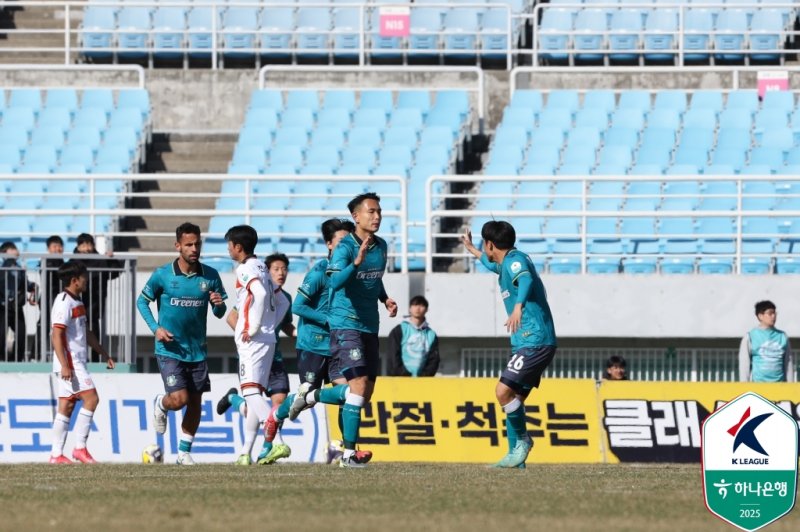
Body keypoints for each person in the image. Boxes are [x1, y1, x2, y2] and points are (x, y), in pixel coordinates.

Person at [288, 193, 398, 468]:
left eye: (379, 212)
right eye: (371, 212)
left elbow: (374, 280)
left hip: (370, 324)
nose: (377, 217)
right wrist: (356, 262)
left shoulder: (381, 245)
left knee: (362, 394)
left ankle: (311, 395)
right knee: (357, 386)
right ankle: (349, 454)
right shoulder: (345, 248)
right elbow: (335, 281)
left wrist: (385, 299)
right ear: (356, 216)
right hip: (345, 323)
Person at [263, 219, 366, 461]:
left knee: (350, 393)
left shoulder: (352, 273)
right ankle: (276, 416)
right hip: (312, 344)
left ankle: (348, 450)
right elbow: (299, 306)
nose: (346, 247)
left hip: (338, 345)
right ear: (329, 245)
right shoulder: (320, 272)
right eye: (341, 241)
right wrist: (328, 319)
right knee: (307, 396)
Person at [462, 221, 557, 469]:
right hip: (530, 342)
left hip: (533, 341)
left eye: (485, 244)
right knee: (514, 399)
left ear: (490, 243)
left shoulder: (515, 261)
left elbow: (523, 279)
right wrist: (472, 249)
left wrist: (517, 306)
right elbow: (489, 263)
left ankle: (523, 442)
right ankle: (516, 458)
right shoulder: (505, 263)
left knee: (502, 392)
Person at [136, 223, 227, 465]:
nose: (194, 248)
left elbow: (220, 312)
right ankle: (161, 402)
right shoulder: (162, 275)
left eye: (197, 244)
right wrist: (156, 329)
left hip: (197, 350)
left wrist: (218, 304)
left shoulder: (211, 276)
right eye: (189, 244)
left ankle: (184, 453)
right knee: (179, 399)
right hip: (170, 349)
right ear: (178, 246)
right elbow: (141, 302)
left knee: (195, 402)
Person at [214, 225, 289, 466]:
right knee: (253, 396)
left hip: (253, 340)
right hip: (267, 340)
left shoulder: (246, 268)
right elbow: (282, 300)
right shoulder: (262, 268)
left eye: (229, 246)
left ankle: (277, 441)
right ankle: (245, 452)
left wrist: (253, 326)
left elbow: (260, 293)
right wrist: (270, 324)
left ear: (238, 247)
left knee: (251, 394)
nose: (228, 250)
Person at [49, 261, 115, 464]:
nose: (87, 280)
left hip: (76, 361)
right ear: (75, 280)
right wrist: (65, 365)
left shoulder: (77, 301)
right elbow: (56, 335)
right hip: (70, 362)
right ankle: (79, 448)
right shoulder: (63, 302)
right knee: (92, 399)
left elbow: (85, 333)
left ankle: (56, 455)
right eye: (84, 276)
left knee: (66, 406)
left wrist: (103, 353)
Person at [73, 233, 123, 362]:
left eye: (89, 244)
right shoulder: (73, 261)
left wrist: (111, 259)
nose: (87, 248)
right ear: (78, 247)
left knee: (93, 327)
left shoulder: (100, 259)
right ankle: (78, 357)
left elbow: (115, 273)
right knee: (76, 328)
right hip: (76, 301)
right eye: (83, 245)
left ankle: (95, 358)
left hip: (96, 299)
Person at [739, 300, 795, 382]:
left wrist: (790, 386)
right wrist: (744, 387)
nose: (773, 316)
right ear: (760, 316)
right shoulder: (750, 336)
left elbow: (788, 363)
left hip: (780, 387)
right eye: (770, 313)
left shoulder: (783, 336)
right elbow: (744, 365)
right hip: (758, 387)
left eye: (775, 313)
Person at [0, 241, 37, 361]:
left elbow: (25, 284)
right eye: (13, 249)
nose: (17, 251)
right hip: (2, 306)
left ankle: (16, 359)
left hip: (15, 307)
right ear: (4, 253)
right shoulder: (1, 268)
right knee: (1, 335)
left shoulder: (19, 268)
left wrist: (32, 287)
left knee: (21, 333)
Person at [387, 295, 440, 377]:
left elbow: (434, 360)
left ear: (426, 310)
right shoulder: (399, 330)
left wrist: (424, 376)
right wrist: (404, 375)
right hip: (399, 381)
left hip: (422, 383)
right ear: (410, 308)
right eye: (415, 305)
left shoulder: (431, 334)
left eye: (422, 305)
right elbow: (393, 357)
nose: (418, 308)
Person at [35, 235, 65, 358]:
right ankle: (36, 355)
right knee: (43, 325)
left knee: (60, 327)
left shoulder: (63, 263)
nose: (57, 249)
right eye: (54, 246)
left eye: (59, 246)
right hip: (48, 299)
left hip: (60, 299)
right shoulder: (45, 261)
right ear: (49, 248)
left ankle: (59, 355)